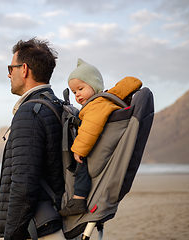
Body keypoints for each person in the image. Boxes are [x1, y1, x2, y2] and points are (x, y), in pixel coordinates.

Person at [0, 38, 66, 240]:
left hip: (38, 230)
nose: (9, 74)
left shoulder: (29, 113)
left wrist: (10, 236)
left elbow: (23, 186)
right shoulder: (56, 105)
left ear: (24, 69)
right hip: (56, 220)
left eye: (11, 68)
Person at [58, 58, 142, 216]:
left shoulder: (95, 106)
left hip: (94, 149)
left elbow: (90, 128)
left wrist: (78, 150)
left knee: (81, 167)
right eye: (74, 92)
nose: (77, 95)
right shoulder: (106, 100)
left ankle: (78, 199)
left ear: (94, 85)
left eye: (80, 88)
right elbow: (130, 83)